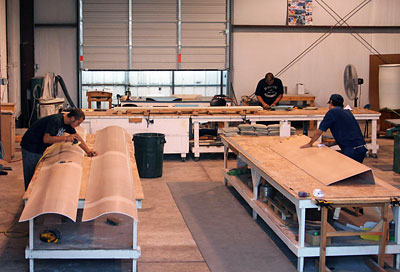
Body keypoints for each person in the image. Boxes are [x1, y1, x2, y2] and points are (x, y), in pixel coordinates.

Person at [21, 108, 97, 190]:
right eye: (78, 123)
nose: (78, 125)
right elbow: (46, 139)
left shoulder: (67, 124)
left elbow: (77, 137)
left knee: (36, 176)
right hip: (31, 147)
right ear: (72, 118)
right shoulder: (56, 121)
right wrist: (65, 138)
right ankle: (28, 200)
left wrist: (88, 151)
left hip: (39, 147)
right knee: (31, 176)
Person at [300, 94, 367, 163]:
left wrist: (310, 143)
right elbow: (348, 133)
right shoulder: (348, 112)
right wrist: (332, 143)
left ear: (331, 102)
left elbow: (319, 131)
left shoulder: (332, 112)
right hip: (362, 149)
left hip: (352, 151)